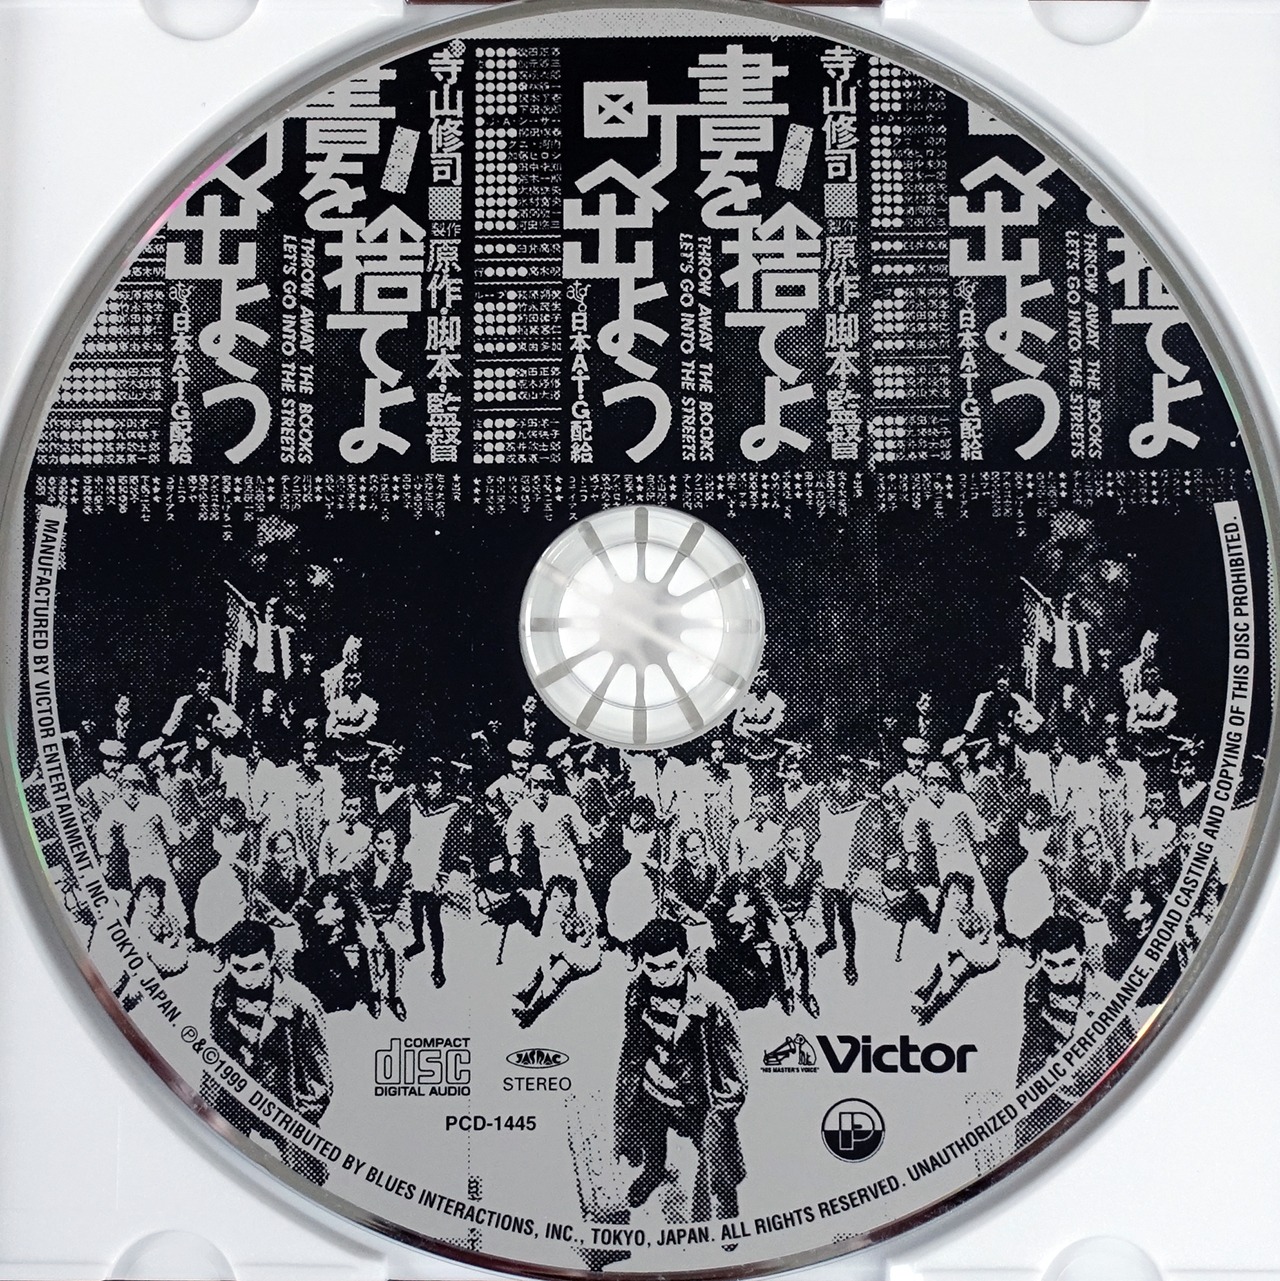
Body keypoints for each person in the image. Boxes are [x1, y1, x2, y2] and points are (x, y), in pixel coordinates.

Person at [614, 918, 747, 1224]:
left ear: (686, 957)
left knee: (719, 1160)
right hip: (652, 1088)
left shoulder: (714, 1001)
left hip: (697, 1099)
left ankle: (727, 1208)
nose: (661, 976)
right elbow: (632, 1045)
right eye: (652, 967)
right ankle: (653, 1172)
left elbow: (733, 1074)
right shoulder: (636, 991)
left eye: (670, 966)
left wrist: (721, 1114)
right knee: (652, 1139)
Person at [202, 920, 333, 1184]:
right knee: (213, 1168)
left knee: (308, 1185)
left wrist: (303, 1118)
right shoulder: (221, 995)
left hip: (286, 1105)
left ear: (271, 959)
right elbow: (217, 1057)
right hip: (237, 1097)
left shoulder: (301, 1003)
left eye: (257, 967)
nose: (248, 977)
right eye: (239, 969)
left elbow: (320, 1078)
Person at [403, 760, 467, 988]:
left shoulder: (453, 809)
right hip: (416, 864)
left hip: (435, 868)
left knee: (433, 917)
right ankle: (418, 941)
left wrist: (444, 873)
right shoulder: (414, 804)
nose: (429, 787)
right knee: (414, 906)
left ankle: (437, 964)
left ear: (444, 784)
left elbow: (453, 846)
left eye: (435, 782)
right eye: (426, 782)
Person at [504, 763, 597, 914]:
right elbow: (513, 834)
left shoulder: (565, 803)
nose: (541, 792)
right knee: (554, 897)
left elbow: (581, 830)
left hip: (568, 855)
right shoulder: (523, 808)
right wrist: (515, 859)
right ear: (529, 787)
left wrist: (586, 856)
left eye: (546, 786)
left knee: (580, 894)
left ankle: (586, 923)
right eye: (536, 786)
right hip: (546, 859)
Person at [511, 874, 602, 1027]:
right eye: (555, 897)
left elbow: (586, 940)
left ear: (572, 897)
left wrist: (573, 938)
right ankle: (529, 992)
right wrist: (548, 966)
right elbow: (547, 947)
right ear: (549, 899)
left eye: (564, 896)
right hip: (565, 951)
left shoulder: (581, 913)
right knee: (545, 966)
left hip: (584, 956)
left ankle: (531, 1011)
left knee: (557, 974)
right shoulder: (551, 915)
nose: (560, 901)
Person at [912, 872, 999, 1023]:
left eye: (962, 893)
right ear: (946, 896)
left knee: (956, 971)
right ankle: (928, 988)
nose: (958, 898)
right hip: (964, 949)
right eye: (953, 894)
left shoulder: (976, 913)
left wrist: (949, 969)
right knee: (944, 964)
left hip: (982, 954)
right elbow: (946, 946)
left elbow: (981, 941)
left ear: (969, 895)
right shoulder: (949, 915)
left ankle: (930, 1008)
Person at [758, 824, 822, 1018]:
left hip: (801, 914)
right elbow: (765, 892)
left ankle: (808, 992)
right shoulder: (772, 863)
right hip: (778, 914)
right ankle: (787, 991)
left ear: (806, 842)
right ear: (784, 842)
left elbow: (816, 893)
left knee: (807, 943)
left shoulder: (813, 864)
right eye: (790, 840)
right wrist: (778, 917)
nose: (794, 845)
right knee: (781, 942)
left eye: (799, 840)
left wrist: (809, 914)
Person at [293, 876, 378, 1015]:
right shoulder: (311, 912)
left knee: (347, 996)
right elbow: (307, 938)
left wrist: (339, 932)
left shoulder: (344, 913)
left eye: (334, 895)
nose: (329, 899)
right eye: (326, 895)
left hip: (335, 953)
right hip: (316, 955)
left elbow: (356, 933)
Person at [353, 826, 412, 1021]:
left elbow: (405, 898)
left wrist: (396, 920)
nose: (384, 847)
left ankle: (395, 996)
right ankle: (374, 994)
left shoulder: (404, 868)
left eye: (389, 842)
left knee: (396, 946)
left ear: (396, 845)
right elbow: (356, 895)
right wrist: (367, 920)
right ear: (373, 844)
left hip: (390, 917)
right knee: (369, 943)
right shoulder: (362, 865)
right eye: (380, 842)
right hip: (367, 916)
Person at [94, 763, 182, 894]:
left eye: (137, 786)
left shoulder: (155, 803)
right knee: (142, 893)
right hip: (135, 858)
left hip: (157, 855)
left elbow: (171, 828)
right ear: (121, 788)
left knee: (168, 892)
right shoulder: (114, 807)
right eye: (127, 786)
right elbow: (103, 832)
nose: (132, 791)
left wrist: (175, 855)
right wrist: (104, 859)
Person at [325, 666, 379, 791]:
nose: (351, 684)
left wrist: (341, 728)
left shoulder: (369, 704)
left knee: (362, 788)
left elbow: (363, 731)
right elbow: (329, 731)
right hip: (342, 755)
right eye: (348, 680)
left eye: (355, 680)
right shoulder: (337, 704)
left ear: (361, 681)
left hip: (362, 756)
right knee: (343, 787)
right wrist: (353, 731)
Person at [727, 791, 782, 877]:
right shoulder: (740, 829)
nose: (759, 810)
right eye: (757, 805)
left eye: (764, 806)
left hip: (767, 877)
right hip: (744, 876)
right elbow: (733, 857)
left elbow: (776, 857)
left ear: (770, 809)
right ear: (752, 806)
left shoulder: (776, 831)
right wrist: (736, 875)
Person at [318, 795, 372, 878]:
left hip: (356, 879)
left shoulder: (366, 833)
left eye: (356, 808)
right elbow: (324, 859)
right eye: (348, 808)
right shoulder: (330, 831)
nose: (352, 813)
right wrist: (326, 878)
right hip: (334, 878)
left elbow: (365, 858)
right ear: (343, 810)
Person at [76, 739, 126, 823]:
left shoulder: (127, 783)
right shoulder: (87, 789)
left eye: (119, 761)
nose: (117, 766)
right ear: (101, 761)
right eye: (110, 760)